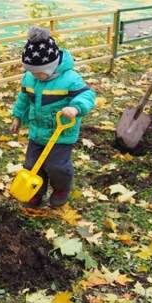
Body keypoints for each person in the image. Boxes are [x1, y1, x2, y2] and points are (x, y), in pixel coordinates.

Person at [10, 27, 96, 208]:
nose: (35, 76)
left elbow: (87, 95)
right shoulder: (30, 78)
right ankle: (36, 192)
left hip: (61, 134)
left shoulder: (70, 79)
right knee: (32, 165)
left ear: (52, 65)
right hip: (37, 132)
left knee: (57, 166)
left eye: (39, 72)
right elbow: (24, 98)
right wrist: (17, 116)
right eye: (32, 72)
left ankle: (61, 188)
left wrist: (75, 107)